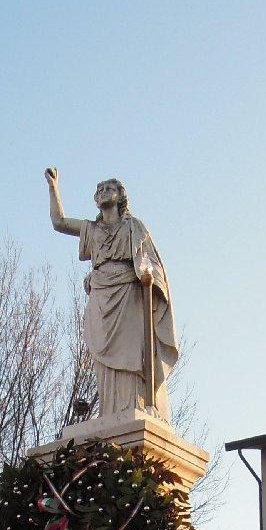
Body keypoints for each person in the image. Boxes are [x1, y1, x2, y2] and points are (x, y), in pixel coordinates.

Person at [45, 169, 178, 418]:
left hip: (128, 293)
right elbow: (59, 222)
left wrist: (149, 279)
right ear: (96, 200)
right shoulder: (92, 229)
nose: (104, 192)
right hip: (101, 296)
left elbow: (153, 264)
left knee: (130, 352)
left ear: (120, 197)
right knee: (104, 359)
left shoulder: (135, 228)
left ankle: (136, 405)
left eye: (109, 188)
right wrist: (54, 188)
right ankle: (110, 412)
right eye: (100, 190)